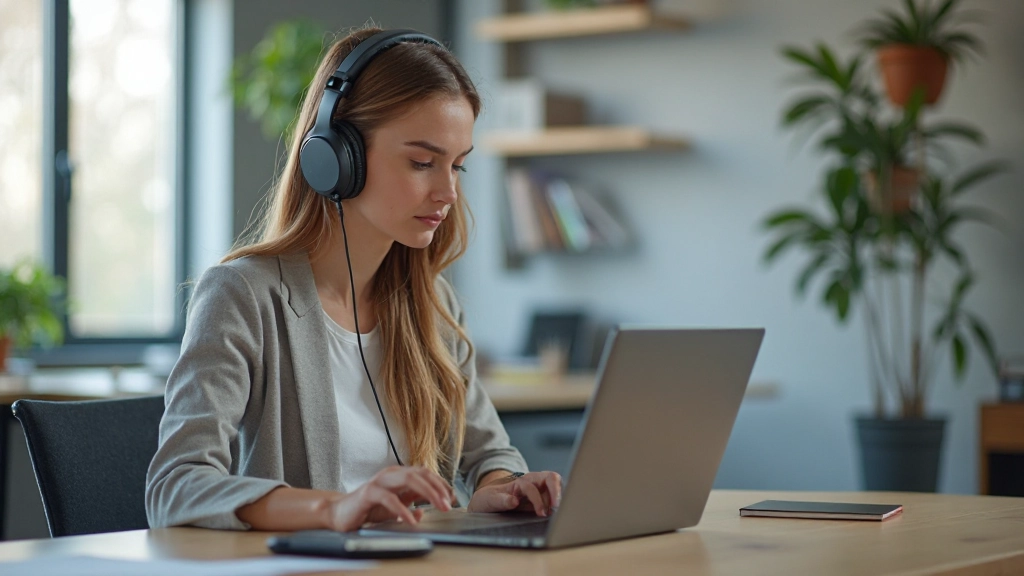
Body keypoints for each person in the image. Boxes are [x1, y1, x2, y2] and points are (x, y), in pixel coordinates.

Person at [145, 26, 562, 532]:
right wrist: (332, 508)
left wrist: (501, 487)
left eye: (458, 167)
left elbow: (489, 450)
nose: (447, 192)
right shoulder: (243, 296)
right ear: (339, 157)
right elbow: (175, 485)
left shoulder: (432, 305)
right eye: (422, 162)